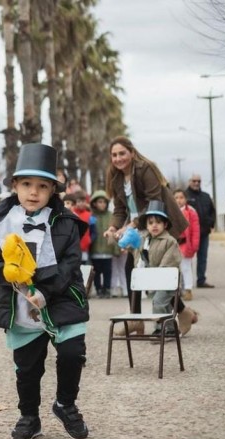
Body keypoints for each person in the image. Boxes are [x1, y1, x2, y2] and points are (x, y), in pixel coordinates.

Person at [0, 143, 89, 439]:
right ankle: (29, 416)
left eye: (42, 186)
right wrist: (4, 272)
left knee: (71, 354)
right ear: (14, 185)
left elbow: (70, 264)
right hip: (20, 304)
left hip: (62, 298)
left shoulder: (65, 223)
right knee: (27, 367)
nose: (33, 192)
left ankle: (65, 403)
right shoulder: (2, 222)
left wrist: (43, 289)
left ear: (53, 190)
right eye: (26, 184)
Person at [103, 136, 187, 331]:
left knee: (158, 272)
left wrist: (130, 225)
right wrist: (113, 227)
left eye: (122, 153)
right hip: (138, 228)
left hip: (156, 223)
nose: (118, 158)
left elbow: (153, 201)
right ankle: (137, 319)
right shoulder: (115, 176)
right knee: (133, 269)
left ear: (132, 153)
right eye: (114, 155)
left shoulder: (144, 169)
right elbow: (119, 209)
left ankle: (176, 315)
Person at [135, 201, 198, 336]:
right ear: (146, 226)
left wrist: (159, 272)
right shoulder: (145, 241)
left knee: (159, 302)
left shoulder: (170, 241)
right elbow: (138, 255)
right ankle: (169, 328)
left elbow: (171, 259)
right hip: (153, 280)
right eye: (151, 223)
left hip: (168, 279)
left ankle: (160, 327)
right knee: (161, 303)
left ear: (165, 224)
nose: (154, 226)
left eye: (158, 222)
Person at [185, 174, 216, 288]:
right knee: (186, 258)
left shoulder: (206, 196)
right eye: (194, 181)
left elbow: (212, 211)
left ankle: (201, 280)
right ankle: (186, 282)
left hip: (203, 232)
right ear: (190, 181)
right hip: (188, 234)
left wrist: (211, 224)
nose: (196, 183)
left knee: (202, 257)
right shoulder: (184, 196)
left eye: (199, 181)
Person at [89, 191, 118, 299]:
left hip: (107, 250)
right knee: (96, 272)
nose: (102, 204)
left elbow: (114, 233)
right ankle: (98, 289)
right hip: (95, 250)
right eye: (99, 202)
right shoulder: (91, 216)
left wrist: (116, 249)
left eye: (104, 202)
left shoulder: (111, 216)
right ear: (94, 203)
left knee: (107, 271)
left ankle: (107, 289)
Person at [173, 189, 200, 301]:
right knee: (174, 268)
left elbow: (195, 230)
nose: (179, 200)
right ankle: (175, 290)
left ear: (185, 199)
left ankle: (188, 290)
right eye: (176, 198)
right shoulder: (170, 212)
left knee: (186, 268)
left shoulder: (191, 212)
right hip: (173, 245)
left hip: (185, 244)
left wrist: (194, 246)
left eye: (181, 197)